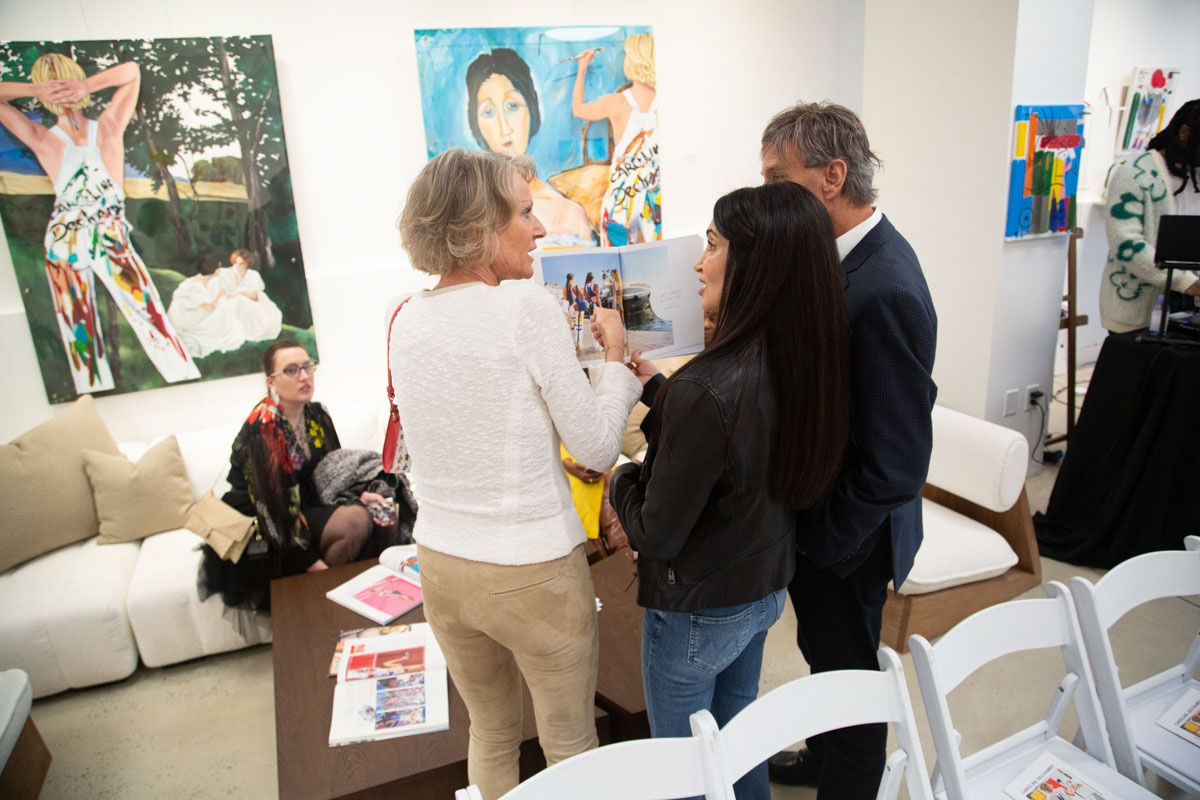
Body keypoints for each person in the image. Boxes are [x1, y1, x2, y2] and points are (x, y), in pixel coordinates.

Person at [389, 148, 641, 799]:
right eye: (524, 213)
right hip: (530, 569)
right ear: (478, 227)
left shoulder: (405, 319)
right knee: (570, 745)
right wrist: (615, 360)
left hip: (441, 567)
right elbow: (592, 447)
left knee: (493, 734)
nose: (540, 227)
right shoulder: (524, 308)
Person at [607, 181, 852, 800]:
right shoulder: (805, 355)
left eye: (712, 245)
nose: (697, 261)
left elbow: (657, 531)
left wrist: (622, 477)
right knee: (740, 739)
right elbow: (739, 444)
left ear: (752, 263)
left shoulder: (710, 386)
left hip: (697, 612)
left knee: (686, 768)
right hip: (763, 588)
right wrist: (659, 392)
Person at [759, 102, 938, 798]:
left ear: (832, 176)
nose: (768, 193)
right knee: (824, 659)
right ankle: (823, 756)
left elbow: (896, 463)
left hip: (850, 538)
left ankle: (848, 778)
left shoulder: (884, 286)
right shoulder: (842, 259)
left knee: (852, 678)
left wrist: (825, 543)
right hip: (827, 519)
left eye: (780, 178)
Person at [0, 53, 199, 393]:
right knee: (89, 333)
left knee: (143, 317)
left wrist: (72, 86)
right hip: (71, 240)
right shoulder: (61, 134)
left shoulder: (95, 130)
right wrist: (41, 88)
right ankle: (98, 397)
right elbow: (131, 74)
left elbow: (132, 71)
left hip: (95, 236)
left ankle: (179, 382)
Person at [198, 339, 385, 617]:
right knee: (354, 521)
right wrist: (315, 567)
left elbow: (333, 473)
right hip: (263, 525)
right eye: (291, 370)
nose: (304, 376)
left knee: (382, 506)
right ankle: (326, 596)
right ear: (271, 381)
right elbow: (273, 512)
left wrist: (360, 494)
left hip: (304, 508)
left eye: (308, 366)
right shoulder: (263, 429)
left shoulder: (316, 414)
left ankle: (338, 599)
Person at [466, 48, 595, 246]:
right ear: (476, 123)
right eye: (489, 112)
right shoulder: (473, 214)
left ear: (531, 109)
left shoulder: (569, 213)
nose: (505, 128)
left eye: (512, 106)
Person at [1099, 98, 1200, 333]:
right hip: (1138, 313)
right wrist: (1186, 282)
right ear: (1184, 133)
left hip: (1187, 308)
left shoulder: (1195, 176)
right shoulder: (1134, 175)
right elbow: (1126, 244)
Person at [572, 34, 661, 246]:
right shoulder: (664, 101)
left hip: (621, 198)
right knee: (657, 264)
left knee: (617, 269)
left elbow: (578, 109)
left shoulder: (618, 102)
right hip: (654, 197)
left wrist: (581, 68)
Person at [215, 249, 284, 343]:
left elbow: (255, 297)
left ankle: (247, 331)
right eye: (235, 262)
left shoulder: (253, 275)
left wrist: (241, 292)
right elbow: (222, 291)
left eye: (241, 264)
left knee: (242, 301)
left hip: (249, 302)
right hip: (228, 300)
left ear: (247, 264)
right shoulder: (226, 273)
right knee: (236, 303)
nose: (237, 266)